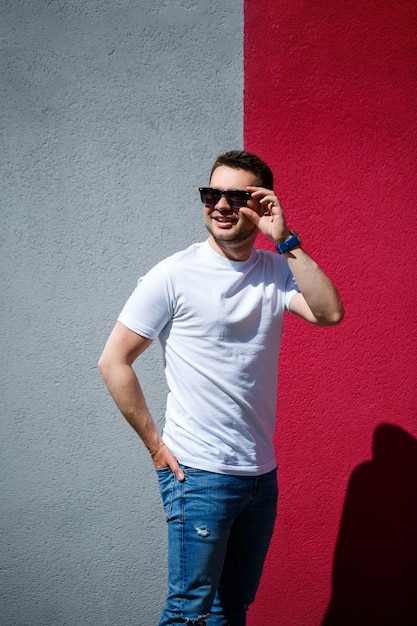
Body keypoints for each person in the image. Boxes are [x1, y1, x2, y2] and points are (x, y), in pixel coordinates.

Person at [98, 150, 344, 626]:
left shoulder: (275, 271)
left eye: (237, 196)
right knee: (188, 612)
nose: (222, 206)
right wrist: (155, 446)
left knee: (232, 609)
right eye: (212, 194)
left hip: (259, 475)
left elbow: (330, 313)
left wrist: (286, 240)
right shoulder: (173, 275)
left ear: (262, 205)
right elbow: (114, 361)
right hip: (199, 474)